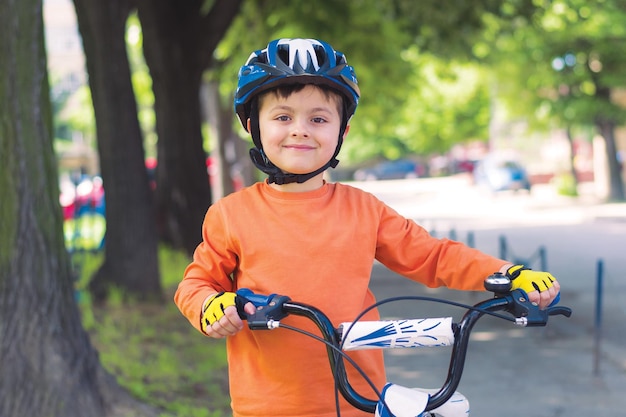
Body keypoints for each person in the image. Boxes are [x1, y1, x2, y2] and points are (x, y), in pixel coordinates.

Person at [174, 38, 560, 417]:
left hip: (361, 401)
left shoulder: (364, 210)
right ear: (252, 125)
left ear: (342, 131)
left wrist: (508, 275)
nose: (300, 130)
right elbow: (195, 285)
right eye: (282, 117)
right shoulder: (231, 214)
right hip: (268, 407)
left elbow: (432, 256)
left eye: (319, 118)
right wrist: (212, 306)